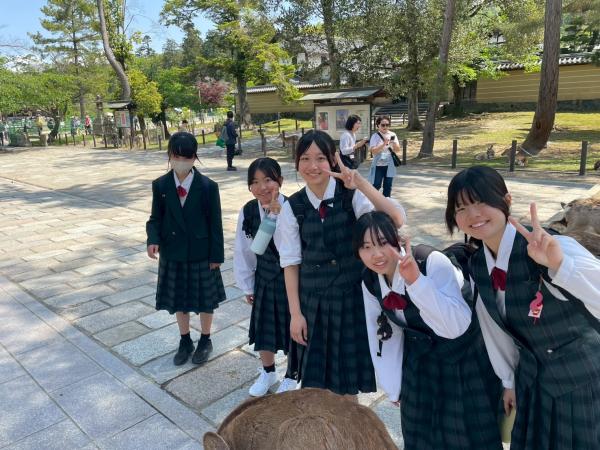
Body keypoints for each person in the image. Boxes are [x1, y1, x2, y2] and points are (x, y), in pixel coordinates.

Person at [445, 165, 600, 450]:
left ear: (506, 200)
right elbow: (494, 329)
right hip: (532, 385)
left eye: (481, 201)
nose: (473, 214)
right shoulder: (478, 264)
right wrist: (508, 381)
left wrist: (560, 265)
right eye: (461, 208)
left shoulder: (551, 245)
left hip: (583, 383)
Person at [355, 211, 503, 450]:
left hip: (463, 359)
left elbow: (455, 326)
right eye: (366, 247)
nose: (377, 254)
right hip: (420, 360)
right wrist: (393, 387)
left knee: (468, 436)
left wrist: (416, 282)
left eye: (383, 243)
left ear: (399, 240)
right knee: (419, 436)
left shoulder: (431, 262)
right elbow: (382, 333)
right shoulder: (370, 280)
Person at [274, 130, 406, 396]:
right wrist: (296, 315)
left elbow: (395, 220)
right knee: (317, 385)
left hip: (351, 299)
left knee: (347, 384)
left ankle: (348, 422)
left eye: (320, 158)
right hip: (313, 303)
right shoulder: (293, 207)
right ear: (297, 162)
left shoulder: (352, 196)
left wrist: (360, 184)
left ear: (333, 160)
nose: (313, 166)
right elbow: (290, 264)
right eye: (305, 158)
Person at [146, 132, 226, 366]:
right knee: (179, 300)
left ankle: (205, 339)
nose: (181, 161)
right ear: (170, 155)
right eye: (177, 156)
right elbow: (155, 218)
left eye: (187, 157)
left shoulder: (208, 187)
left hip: (202, 252)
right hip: (173, 251)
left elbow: (216, 224)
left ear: (194, 157)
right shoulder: (161, 185)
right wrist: (153, 239)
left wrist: (216, 256)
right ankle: (185, 340)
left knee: (206, 300)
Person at [234, 157, 298, 396]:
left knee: (293, 328)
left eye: (268, 180)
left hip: (290, 278)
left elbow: (291, 249)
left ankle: (292, 374)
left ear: (280, 181)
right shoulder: (249, 210)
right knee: (263, 328)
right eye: (255, 182)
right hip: (263, 277)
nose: (262, 187)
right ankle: (268, 371)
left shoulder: (293, 206)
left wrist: (277, 216)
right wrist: (247, 285)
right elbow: (244, 248)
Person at [368, 116, 400, 197]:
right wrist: (383, 144)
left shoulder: (392, 134)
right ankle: (373, 201)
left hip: (390, 164)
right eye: (383, 125)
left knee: (388, 186)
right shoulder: (375, 136)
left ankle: (386, 202)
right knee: (376, 185)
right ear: (378, 125)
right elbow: (373, 151)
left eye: (387, 125)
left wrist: (394, 143)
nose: (385, 127)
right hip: (378, 165)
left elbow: (397, 150)